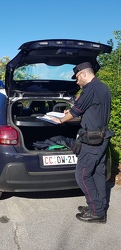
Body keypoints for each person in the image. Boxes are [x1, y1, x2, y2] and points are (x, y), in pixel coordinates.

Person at [51, 62, 114, 224]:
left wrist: (60, 119)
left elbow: (75, 112)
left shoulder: (90, 89)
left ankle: (96, 213)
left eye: (77, 78)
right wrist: (70, 112)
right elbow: (91, 110)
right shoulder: (103, 87)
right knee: (97, 174)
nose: (77, 82)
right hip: (102, 138)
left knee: (82, 175)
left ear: (83, 74)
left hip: (91, 141)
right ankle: (99, 208)